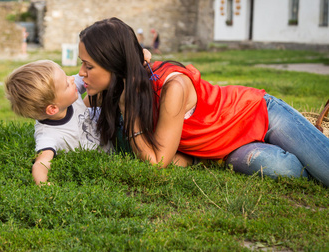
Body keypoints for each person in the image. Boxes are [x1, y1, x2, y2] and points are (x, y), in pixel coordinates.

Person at [78, 17, 329, 187]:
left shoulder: (171, 87)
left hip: (257, 112)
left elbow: (157, 164)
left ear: (115, 66)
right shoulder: (112, 87)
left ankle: (306, 134)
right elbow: (70, 98)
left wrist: (126, 111)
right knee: (279, 168)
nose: (81, 72)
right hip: (225, 149)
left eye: (88, 66)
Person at [5, 60, 112, 185]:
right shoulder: (48, 135)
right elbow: (42, 162)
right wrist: (42, 184)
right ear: (53, 108)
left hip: (110, 128)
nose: (72, 79)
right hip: (106, 156)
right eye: (66, 84)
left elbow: (91, 78)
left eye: (66, 76)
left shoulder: (66, 95)